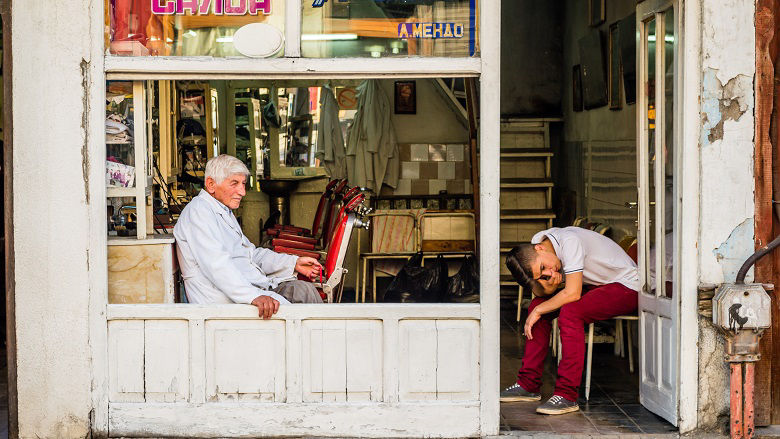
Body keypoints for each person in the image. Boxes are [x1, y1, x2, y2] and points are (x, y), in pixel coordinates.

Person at [500, 227, 639, 415]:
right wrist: (548, 285)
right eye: (542, 274)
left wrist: (541, 307)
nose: (549, 272)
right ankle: (528, 384)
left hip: (627, 286)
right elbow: (541, 292)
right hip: (594, 287)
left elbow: (572, 293)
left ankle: (567, 395)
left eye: (543, 268)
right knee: (536, 306)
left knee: (570, 312)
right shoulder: (537, 243)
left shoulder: (569, 241)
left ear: (540, 248)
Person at [174, 154, 324, 319]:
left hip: (253, 288)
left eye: (244, 184)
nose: (242, 192)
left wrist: (293, 262)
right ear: (211, 184)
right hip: (230, 302)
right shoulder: (198, 212)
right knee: (305, 316)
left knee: (304, 291)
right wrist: (252, 296)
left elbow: (251, 254)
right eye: (235, 184)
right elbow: (217, 266)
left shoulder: (222, 210)